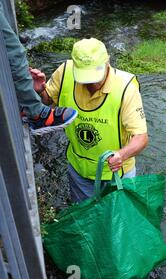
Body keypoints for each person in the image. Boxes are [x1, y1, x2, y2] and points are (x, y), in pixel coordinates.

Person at [33, 38, 148, 202]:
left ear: (107, 62)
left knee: (117, 222)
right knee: (86, 219)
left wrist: (121, 155)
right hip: (80, 171)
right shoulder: (65, 72)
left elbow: (141, 138)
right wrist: (40, 90)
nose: (91, 83)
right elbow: (48, 101)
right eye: (85, 78)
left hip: (116, 174)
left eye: (95, 77)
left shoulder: (126, 88)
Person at [0, 1, 77, 135]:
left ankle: (32, 108)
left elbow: (47, 100)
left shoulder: (124, 86)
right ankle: (37, 114)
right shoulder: (66, 69)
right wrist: (40, 94)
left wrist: (39, 91)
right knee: (15, 53)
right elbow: (49, 100)